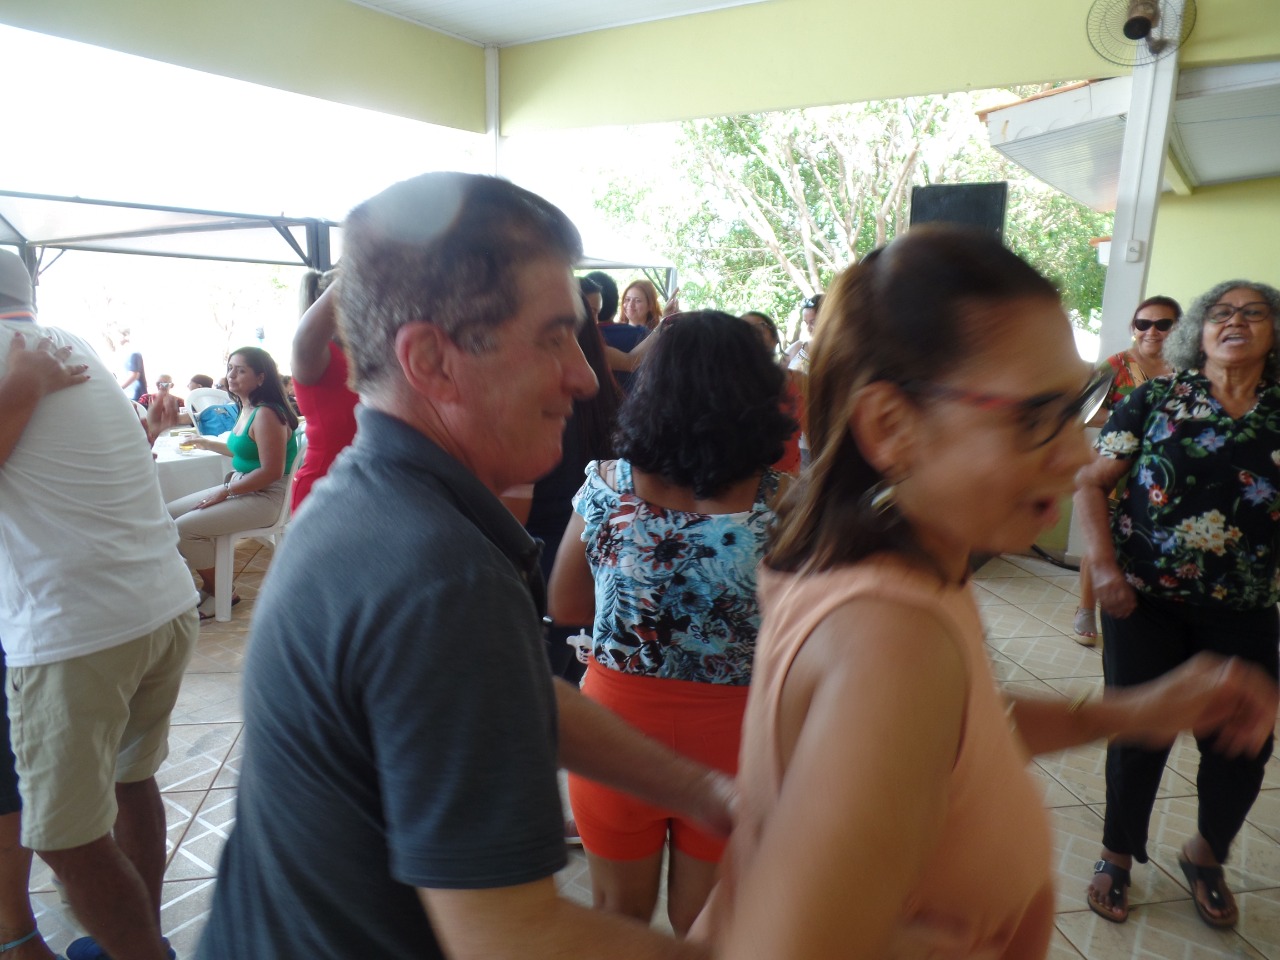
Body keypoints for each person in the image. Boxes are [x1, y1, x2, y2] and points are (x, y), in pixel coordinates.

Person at [691, 228, 1277, 959]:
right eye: (1037, 416)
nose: (1078, 454)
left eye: (1078, 404)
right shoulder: (890, 639)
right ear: (891, 426)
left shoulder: (905, 565)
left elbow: (960, 730)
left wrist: (1135, 710)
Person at [197, 172, 733, 960]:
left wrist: (708, 794)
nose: (585, 376)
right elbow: (514, 938)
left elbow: (519, 695)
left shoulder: (373, 499)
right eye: (553, 337)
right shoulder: (439, 577)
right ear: (431, 360)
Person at [549, 311, 793, 934]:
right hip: (737, 738)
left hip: (616, 732)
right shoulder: (787, 502)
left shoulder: (607, 488)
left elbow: (566, 605)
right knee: (708, 928)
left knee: (618, 919)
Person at [0, 249, 199, 960]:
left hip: (77, 631)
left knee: (65, 837)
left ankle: (139, 955)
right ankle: (139, 945)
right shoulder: (70, 342)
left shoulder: (19, 362)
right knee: (131, 778)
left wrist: (21, 390)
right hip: (162, 604)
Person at [1076, 280, 1280, 929]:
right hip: (1145, 604)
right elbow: (1091, 483)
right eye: (1221, 312)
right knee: (1140, 732)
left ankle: (1205, 854)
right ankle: (1116, 853)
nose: (1236, 321)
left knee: (1242, 744)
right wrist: (1103, 568)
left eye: (1253, 312)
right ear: (1200, 330)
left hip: (1245, 610)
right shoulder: (1155, 398)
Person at [1074, 295, 1182, 643]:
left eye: (1163, 324)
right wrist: (1132, 418)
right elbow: (1085, 411)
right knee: (1102, 536)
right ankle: (1085, 609)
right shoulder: (1115, 366)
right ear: (1133, 328)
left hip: (1163, 472)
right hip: (1113, 467)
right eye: (1143, 324)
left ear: (1178, 329)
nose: (1152, 331)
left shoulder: (1188, 369)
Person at [167, 346, 299, 619]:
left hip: (268, 496)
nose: (231, 375)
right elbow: (244, 450)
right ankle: (213, 586)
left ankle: (222, 591)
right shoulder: (247, 407)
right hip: (246, 487)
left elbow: (271, 472)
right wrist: (207, 443)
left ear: (261, 377)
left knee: (184, 529)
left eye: (241, 370)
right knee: (168, 516)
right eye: (230, 369)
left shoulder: (267, 414)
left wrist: (225, 491)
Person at [290, 270, 358, 511]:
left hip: (362, 484)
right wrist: (356, 267)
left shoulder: (358, 354)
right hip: (323, 486)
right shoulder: (312, 355)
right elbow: (303, 337)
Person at [742, 311, 805, 475]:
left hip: (788, 481)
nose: (750, 334)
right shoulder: (727, 387)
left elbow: (817, 436)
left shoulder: (798, 381)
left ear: (775, 338)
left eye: (758, 328)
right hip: (743, 482)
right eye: (742, 329)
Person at [783, 293, 822, 372]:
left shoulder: (841, 350)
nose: (809, 328)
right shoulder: (798, 348)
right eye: (806, 323)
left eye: (813, 322)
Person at [115, 330, 147, 402]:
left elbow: (134, 375)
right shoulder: (122, 353)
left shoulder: (133, 353)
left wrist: (118, 389)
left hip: (136, 396)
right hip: (128, 395)